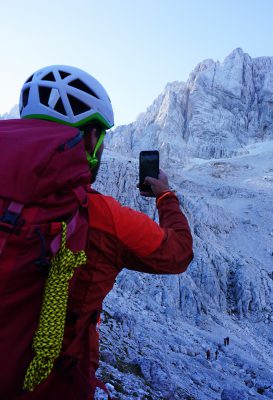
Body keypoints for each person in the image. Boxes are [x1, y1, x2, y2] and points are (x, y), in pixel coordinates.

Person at [0, 65, 193, 399]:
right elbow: (177, 253)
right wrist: (165, 196)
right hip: (49, 385)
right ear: (91, 137)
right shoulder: (99, 215)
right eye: (103, 134)